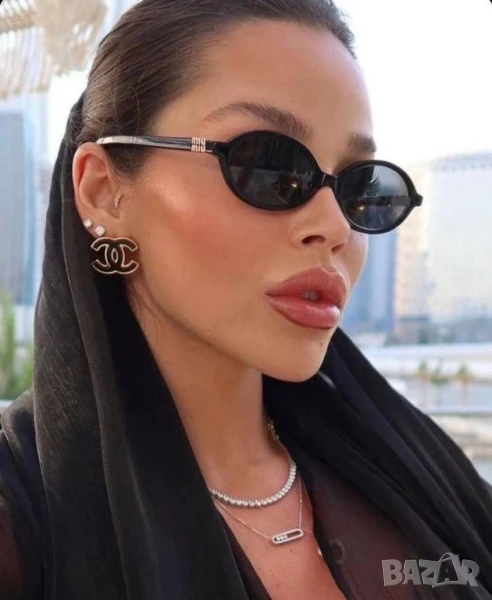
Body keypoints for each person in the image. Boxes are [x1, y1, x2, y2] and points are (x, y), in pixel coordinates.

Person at [1, 0, 492, 598]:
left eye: (360, 186)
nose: (334, 227)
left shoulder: (413, 475)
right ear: (104, 192)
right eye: (268, 168)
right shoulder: (22, 517)